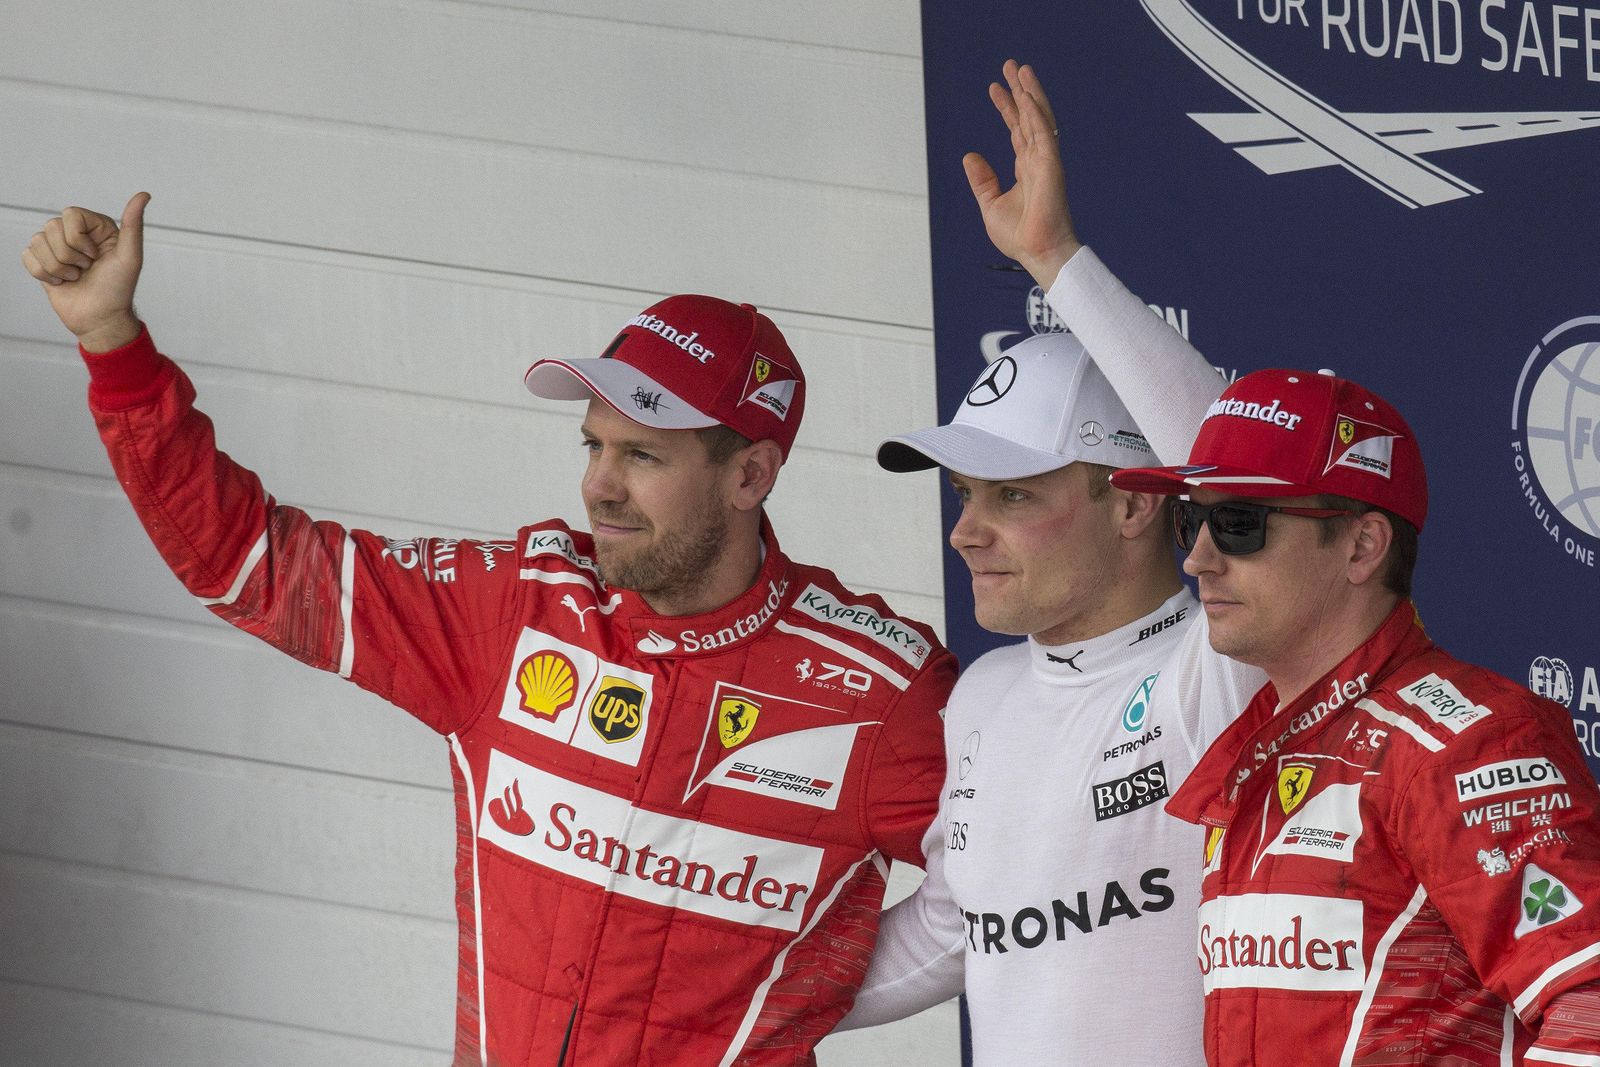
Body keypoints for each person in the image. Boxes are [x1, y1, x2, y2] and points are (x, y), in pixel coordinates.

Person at [20, 193, 956, 1066]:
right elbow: (249, 563)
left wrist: (812, 988)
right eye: (592, 444)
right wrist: (112, 341)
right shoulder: (513, 608)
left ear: (750, 476)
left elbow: (1018, 887)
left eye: (641, 454)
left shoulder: (880, 690)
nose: (598, 484)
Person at [984, 57, 1600, 1066]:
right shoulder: (1264, 754)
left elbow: (1584, 1000)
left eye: (1241, 527)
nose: (1196, 558)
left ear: (1362, 543)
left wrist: (1061, 261)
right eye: (1194, 520)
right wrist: (1050, 259)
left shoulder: (1459, 742)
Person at [832, 63, 1263, 1063]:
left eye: (1013, 495)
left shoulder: (1223, 667)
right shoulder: (981, 693)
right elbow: (953, 931)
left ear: (1134, 502)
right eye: (964, 496)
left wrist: (1055, 260)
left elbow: (1239, 473)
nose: (965, 532)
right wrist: (721, 990)